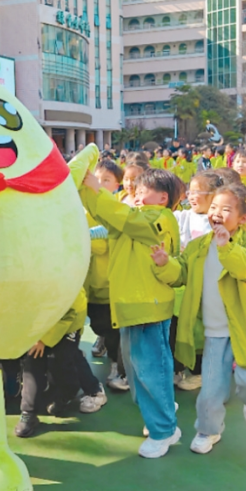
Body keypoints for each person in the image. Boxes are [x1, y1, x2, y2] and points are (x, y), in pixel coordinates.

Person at [151, 184, 246, 454]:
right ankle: (208, 430)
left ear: (243, 218)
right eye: (213, 207)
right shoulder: (198, 246)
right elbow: (182, 274)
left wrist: (226, 247)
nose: (217, 213)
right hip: (214, 332)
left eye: (226, 209)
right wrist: (166, 264)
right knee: (210, 390)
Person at [82, 168, 182, 459]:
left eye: (143, 190)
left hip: (147, 307)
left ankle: (164, 430)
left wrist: (97, 191)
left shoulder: (159, 218)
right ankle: (163, 418)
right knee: (140, 373)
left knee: (152, 371)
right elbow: (107, 218)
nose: (136, 195)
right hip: (132, 306)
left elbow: (123, 218)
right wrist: (88, 193)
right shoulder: (135, 219)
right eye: (135, 190)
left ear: (163, 198)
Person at [15, 289, 107, 437]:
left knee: (61, 360)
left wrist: (44, 340)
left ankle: (67, 394)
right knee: (32, 362)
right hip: (40, 321)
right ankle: (28, 413)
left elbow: (68, 314)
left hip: (69, 321)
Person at [170, 171, 222, 391]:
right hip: (186, 283)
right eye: (189, 191)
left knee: (201, 331)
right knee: (182, 326)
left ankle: (201, 372)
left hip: (207, 285)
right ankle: (179, 367)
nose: (191, 196)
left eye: (197, 192)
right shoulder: (184, 216)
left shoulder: (217, 221)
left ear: (214, 195)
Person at [87, 160, 128, 391]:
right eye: (98, 178)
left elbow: (106, 244)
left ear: (117, 185)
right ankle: (103, 341)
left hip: (108, 281)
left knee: (111, 326)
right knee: (95, 321)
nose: (100, 183)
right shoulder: (85, 205)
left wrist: (82, 239)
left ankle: (116, 364)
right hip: (87, 282)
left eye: (107, 180)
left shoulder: (113, 208)